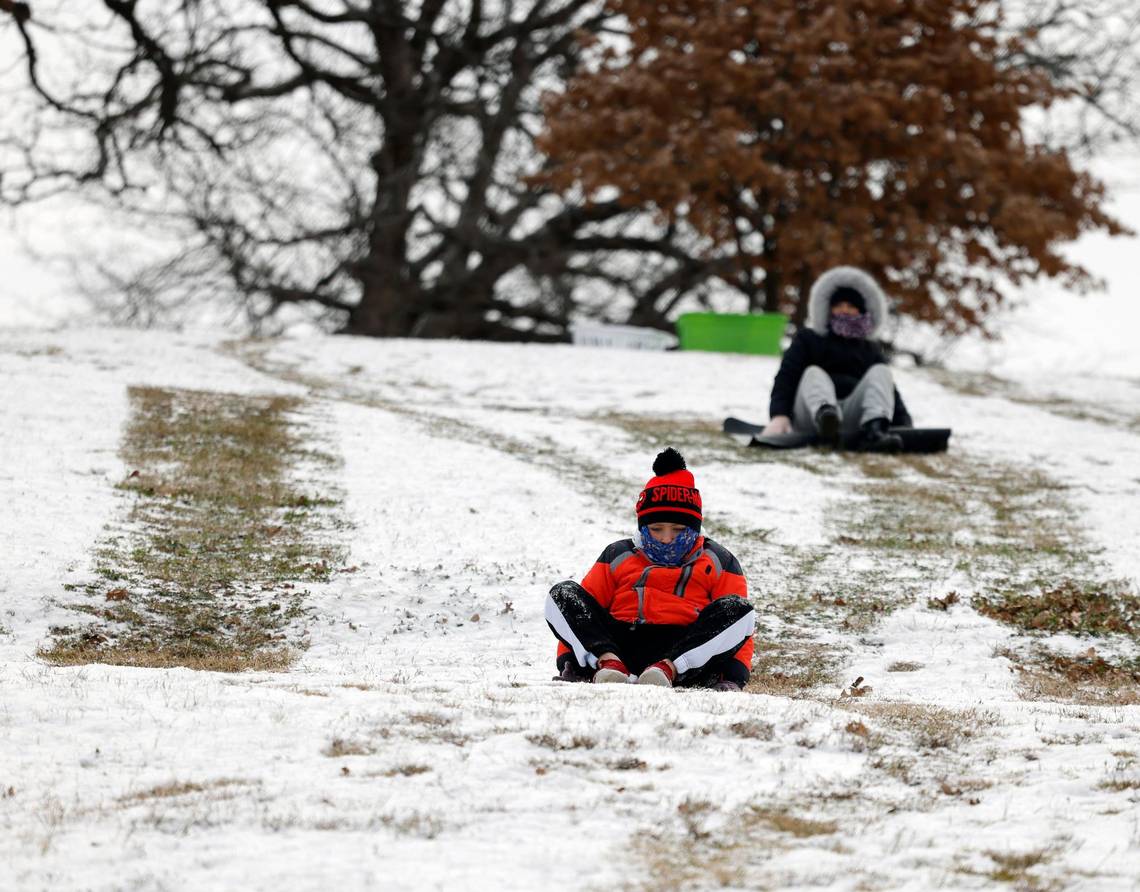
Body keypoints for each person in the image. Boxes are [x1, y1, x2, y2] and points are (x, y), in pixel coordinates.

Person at [545, 448, 755, 690]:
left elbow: (739, 631)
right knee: (562, 595)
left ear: (695, 527)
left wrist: (734, 676)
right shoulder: (617, 555)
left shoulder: (719, 560)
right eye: (656, 529)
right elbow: (582, 618)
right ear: (643, 527)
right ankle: (609, 666)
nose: (666, 538)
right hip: (619, 646)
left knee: (740, 610)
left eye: (678, 530)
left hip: (683, 653)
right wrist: (569, 663)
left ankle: (667, 669)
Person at [763, 266, 913, 452]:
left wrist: (905, 425)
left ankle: (875, 429)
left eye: (850, 306)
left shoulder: (870, 349)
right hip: (811, 414)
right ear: (829, 308)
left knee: (881, 372)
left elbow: (886, 389)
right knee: (813, 373)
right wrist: (779, 416)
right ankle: (827, 420)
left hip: (852, 414)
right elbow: (787, 377)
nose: (844, 311)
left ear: (861, 312)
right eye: (839, 306)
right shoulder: (808, 339)